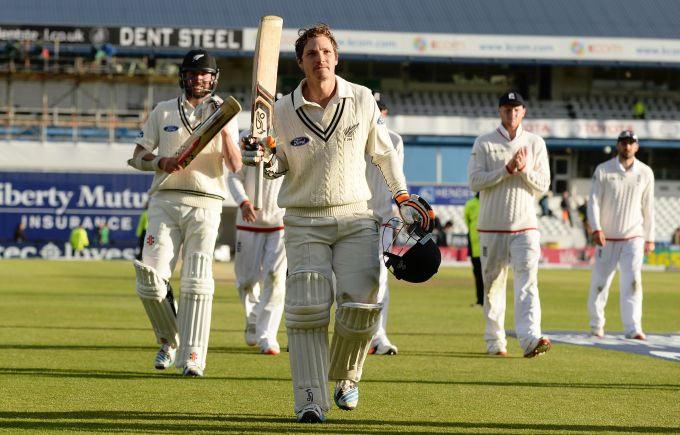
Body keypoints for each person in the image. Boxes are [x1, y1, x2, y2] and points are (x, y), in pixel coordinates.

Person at [241, 24, 432, 423]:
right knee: (308, 308)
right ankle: (310, 399)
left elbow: (384, 154)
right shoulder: (280, 111)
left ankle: (347, 376)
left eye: (326, 52)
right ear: (300, 62)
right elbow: (277, 167)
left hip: (355, 216)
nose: (320, 59)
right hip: (304, 220)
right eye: (312, 53)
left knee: (362, 304)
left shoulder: (361, 99)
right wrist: (260, 156)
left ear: (336, 57)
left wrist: (401, 196)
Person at [126, 49, 242, 377]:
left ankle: (193, 357)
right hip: (165, 199)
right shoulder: (163, 111)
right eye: (194, 73)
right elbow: (137, 156)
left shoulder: (225, 113)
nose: (200, 78)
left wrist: (223, 127)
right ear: (184, 76)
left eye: (206, 74)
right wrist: (161, 162)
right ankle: (168, 340)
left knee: (197, 282)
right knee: (150, 280)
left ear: (214, 77)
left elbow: (235, 165)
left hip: (207, 201)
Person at [467, 91, 552, 358]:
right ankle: (495, 341)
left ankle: (530, 339)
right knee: (493, 286)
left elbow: (544, 184)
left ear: (523, 112)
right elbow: (475, 182)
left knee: (528, 282)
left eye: (516, 110)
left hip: (525, 227)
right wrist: (506, 171)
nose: (511, 114)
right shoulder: (484, 142)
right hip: (492, 227)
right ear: (499, 111)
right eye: (506, 109)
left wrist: (524, 169)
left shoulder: (535, 143)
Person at [587, 130, 655, 340]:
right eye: (623, 143)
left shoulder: (645, 172)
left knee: (633, 282)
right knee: (600, 283)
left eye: (631, 143)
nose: (627, 147)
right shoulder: (604, 170)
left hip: (633, 237)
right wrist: (596, 228)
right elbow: (593, 202)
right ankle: (597, 325)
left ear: (637, 146)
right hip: (607, 238)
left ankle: (633, 327)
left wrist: (649, 237)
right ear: (618, 145)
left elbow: (648, 207)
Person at [227, 130, 286, 356]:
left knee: (275, 278)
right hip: (248, 222)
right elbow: (234, 175)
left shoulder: (289, 133)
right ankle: (253, 318)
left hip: (279, 223)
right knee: (246, 281)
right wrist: (243, 202)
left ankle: (267, 336)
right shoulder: (245, 136)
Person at [365, 100, 403, 356]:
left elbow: (397, 177)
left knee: (380, 280)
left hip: (382, 221)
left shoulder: (394, 140)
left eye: (380, 110)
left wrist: (403, 205)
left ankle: (378, 336)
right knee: (344, 282)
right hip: (351, 218)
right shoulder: (350, 134)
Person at [464, 193, 483, 307]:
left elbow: (467, 221)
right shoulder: (470, 204)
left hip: (484, 244)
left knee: (486, 275)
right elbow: (467, 221)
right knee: (478, 275)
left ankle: (485, 301)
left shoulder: (486, 202)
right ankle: (481, 300)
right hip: (475, 245)